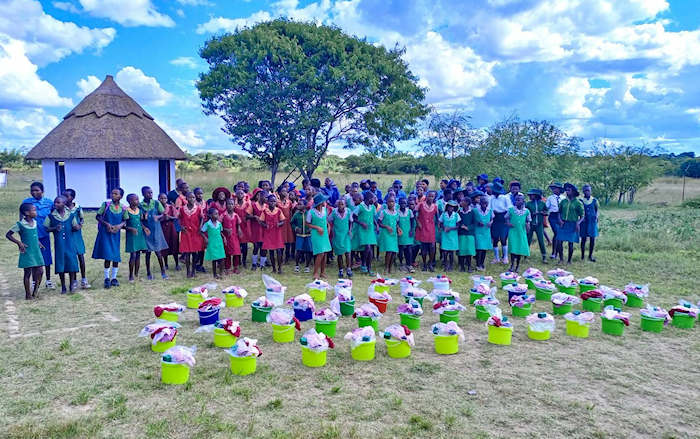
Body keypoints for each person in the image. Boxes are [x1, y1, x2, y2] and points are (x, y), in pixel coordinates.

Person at [6, 203, 44, 299]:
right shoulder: (20, 224)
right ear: (27, 213)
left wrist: (38, 242)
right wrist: (19, 243)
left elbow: (34, 235)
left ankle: (35, 291)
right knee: (27, 273)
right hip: (27, 251)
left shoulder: (35, 222)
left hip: (36, 250)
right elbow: (8, 235)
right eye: (34, 210)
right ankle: (28, 294)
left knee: (40, 270)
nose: (36, 212)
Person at [22, 182, 55, 289]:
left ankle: (48, 280)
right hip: (31, 237)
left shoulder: (49, 203)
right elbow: (21, 220)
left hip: (44, 234)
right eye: (32, 190)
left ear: (42, 191)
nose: (34, 192)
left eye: (37, 190)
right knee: (33, 259)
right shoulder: (26, 203)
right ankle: (33, 281)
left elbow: (53, 217)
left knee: (46, 258)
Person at [44, 196, 79, 293]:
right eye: (55, 202)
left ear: (64, 204)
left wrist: (77, 227)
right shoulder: (51, 216)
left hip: (70, 243)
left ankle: (71, 284)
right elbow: (46, 228)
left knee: (71, 262)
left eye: (58, 202)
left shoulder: (71, 215)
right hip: (59, 244)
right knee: (60, 263)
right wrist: (54, 228)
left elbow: (75, 226)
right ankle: (63, 286)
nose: (56, 204)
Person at [92, 187, 126, 289]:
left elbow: (125, 220)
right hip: (106, 233)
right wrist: (106, 224)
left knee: (115, 255)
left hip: (116, 234)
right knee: (107, 255)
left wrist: (119, 226)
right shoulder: (106, 205)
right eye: (112, 193)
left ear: (121, 196)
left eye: (116, 194)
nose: (113, 195)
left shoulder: (123, 208)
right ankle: (106, 278)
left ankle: (114, 278)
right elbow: (98, 216)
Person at [63, 188, 90, 288]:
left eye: (67, 196)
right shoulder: (62, 208)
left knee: (81, 257)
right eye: (63, 196)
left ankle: (84, 279)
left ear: (73, 197)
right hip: (68, 235)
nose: (65, 198)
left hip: (77, 235)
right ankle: (73, 280)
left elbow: (82, 219)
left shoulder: (78, 207)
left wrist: (80, 225)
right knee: (71, 258)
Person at [141, 187, 168, 280]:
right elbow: (139, 219)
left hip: (156, 230)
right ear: (143, 194)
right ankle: (148, 272)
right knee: (148, 253)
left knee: (158, 253)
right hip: (147, 231)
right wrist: (143, 219)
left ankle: (163, 272)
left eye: (151, 193)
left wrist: (158, 216)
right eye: (148, 193)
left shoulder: (156, 203)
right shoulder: (141, 205)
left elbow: (164, 213)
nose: (150, 195)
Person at [306, 193, 332, 279]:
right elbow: (307, 224)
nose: (325, 202)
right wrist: (317, 227)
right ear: (320, 203)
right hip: (316, 234)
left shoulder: (325, 210)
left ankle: (323, 272)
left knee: (324, 253)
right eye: (324, 201)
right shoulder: (311, 212)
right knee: (320, 253)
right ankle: (315, 272)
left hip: (324, 234)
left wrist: (328, 227)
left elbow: (326, 220)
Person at [557, 183, 585, 264]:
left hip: (572, 224)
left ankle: (569, 260)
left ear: (573, 191)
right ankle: (561, 259)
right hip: (563, 223)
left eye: (569, 190)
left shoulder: (578, 203)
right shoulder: (563, 201)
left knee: (570, 243)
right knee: (559, 241)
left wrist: (578, 223)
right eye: (566, 190)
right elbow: (559, 212)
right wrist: (560, 220)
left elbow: (582, 215)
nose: (566, 191)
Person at [179, 192, 204, 278]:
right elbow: (178, 218)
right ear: (186, 198)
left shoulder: (198, 208)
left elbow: (202, 218)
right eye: (190, 197)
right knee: (187, 253)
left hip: (195, 232)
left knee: (194, 252)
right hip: (186, 232)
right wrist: (181, 227)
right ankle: (188, 271)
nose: (192, 199)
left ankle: (193, 270)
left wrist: (200, 226)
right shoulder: (182, 209)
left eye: (193, 197)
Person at [124, 194, 148, 282]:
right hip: (131, 235)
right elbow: (124, 225)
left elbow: (140, 221)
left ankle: (136, 274)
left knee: (138, 255)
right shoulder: (126, 211)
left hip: (139, 234)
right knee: (133, 255)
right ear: (129, 201)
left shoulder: (139, 210)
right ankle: (130, 275)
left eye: (137, 199)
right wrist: (130, 228)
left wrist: (145, 228)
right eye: (135, 200)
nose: (137, 201)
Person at [259, 194, 286, 274]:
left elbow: (283, 220)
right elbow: (261, 221)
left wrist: (279, 224)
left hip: (277, 233)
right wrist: (265, 225)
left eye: (274, 201)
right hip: (269, 233)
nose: (273, 203)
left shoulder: (278, 210)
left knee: (279, 250)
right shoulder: (265, 211)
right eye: (271, 201)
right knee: (271, 251)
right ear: (268, 202)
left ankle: (280, 268)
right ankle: (274, 268)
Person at [353, 191, 378, 275]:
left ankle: (369, 267)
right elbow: (354, 218)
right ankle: (363, 263)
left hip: (370, 229)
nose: (374, 200)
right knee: (367, 247)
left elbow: (373, 217)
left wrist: (377, 225)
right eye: (373, 198)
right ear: (368, 199)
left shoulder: (373, 207)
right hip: (362, 230)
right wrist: (361, 223)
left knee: (370, 249)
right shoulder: (360, 207)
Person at [505, 194, 531, 273]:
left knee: (519, 249)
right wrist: (508, 223)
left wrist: (527, 228)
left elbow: (528, 221)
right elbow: (506, 218)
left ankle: (517, 265)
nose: (516, 201)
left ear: (523, 201)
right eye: (515, 200)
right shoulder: (511, 210)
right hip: (513, 231)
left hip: (521, 232)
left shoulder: (526, 211)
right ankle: (512, 264)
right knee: (513, 248)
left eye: (519, 200)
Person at [328, 198, 353, 278]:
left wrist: (350, 230)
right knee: (339, 254)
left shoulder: (348, 211)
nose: (340, 206)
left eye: (342, 204)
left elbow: (350, 221)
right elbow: (328, 220)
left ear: (345, 205)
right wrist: (332, 229)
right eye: (339, 204)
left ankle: (349, 269)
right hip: (337, 235)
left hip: (346, 234)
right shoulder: (334, 212)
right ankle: (341, 270)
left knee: (348, 252)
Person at [415, 190, 438, 272]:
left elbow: (437, 217)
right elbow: (414, 213)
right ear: (426, 196)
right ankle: (424, 264)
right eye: (429, 196)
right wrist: (418, 222)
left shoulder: (435, 206)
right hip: (423, 227)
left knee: (432, 246)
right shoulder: (420, 205)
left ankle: (430, 264)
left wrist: (438, 225)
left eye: (432, 196)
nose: (430, 198)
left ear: (434, 197)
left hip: (431, 228)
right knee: (424, 247)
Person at [490, 182, 512, 265]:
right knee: (495, 238)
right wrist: (492, 215)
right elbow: (490, 208)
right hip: (495, 218)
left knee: (503, 238)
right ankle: (496, 258)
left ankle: (505, 257)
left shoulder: (505, 198)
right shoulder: (491, 198)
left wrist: (506, 218)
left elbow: (510, 209)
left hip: (503, 217)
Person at [378, 195, 401, 274]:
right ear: (387, 203)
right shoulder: (383, 212)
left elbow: (396, 222)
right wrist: (386, 226)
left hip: (393, 234)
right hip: (386, 234)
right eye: (389, 202)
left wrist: (398, 228)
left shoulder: (396, 213)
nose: (391, 203)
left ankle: (390, 268)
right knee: (389, 251)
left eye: (393, 202)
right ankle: (386, 268)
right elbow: (379, 223)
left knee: (394, 252)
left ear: (395, 203)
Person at [201, 207, 226, 279]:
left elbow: (220, 232)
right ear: (210, 215)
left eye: (218, 214)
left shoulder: (219, 224)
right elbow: (202, 231)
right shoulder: (207, 224)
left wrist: (224, 237)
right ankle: (214, 274)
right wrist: (205, 238)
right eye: (215, 214)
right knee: (214, 259)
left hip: (219, 242)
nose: (217, 215)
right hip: (212, 242)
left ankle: (221, 272)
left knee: (221, 258)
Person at [525, 188, 549, 264]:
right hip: (531, 224)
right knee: (528, 240)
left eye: (531, 195)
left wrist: (541, 213)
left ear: (536, 196)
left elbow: (546, 212)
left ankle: (544, 256)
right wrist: (532, 214)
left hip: (539, 224)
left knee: (541, 240)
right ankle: (525, 256)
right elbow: (525, 213)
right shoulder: (528, 204)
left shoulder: (542, 203)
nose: (530, 196)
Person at [160, 193, 180, 272]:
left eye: (164, 198)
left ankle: (177, 263)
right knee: (165, 246)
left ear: (167, 199)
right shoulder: (158, 208)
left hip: (171, 228)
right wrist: (163, 218)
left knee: (174, 244)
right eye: (161, 198)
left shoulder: (171, 207)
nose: (163, 200)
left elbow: (176, 217)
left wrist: (169, 217)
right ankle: (166, 264)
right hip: (163, 229)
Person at [222, 198, 242, 274]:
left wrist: (239, 230)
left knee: (236, 252)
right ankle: (227, 268)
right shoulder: (223, 215)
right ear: (226, 205)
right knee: (227, 253)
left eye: (232, 204)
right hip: (226, 237)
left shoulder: (236, 215)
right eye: (228, 204)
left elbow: (238, 224)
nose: (230, 205)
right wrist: (225, 229)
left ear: (234, 206)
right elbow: (219, 226)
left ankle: (236, 267)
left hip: (234, 236)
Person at [457, 192, 477, 272]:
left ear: (467, 203)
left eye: (463, 201)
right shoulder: (459, 212)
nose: (461, 202)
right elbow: (457, 221)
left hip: (469, 234)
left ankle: (469, 266)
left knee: (469, 251)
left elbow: (474, 223)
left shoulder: (472, 212)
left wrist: (467, 227)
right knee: (461, 250)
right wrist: (460, 226)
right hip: (461, 233)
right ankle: (462, 266)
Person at [474, 193, 493, 271]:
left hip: (486, 231)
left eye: (486, 203)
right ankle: (478, 264)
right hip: (478, 231)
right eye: (483, 203)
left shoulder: (490, 210)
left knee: (484, 248)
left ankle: (482, 263)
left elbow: (492, 219)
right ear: (480, 203)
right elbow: (472, 219)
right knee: (479, 248)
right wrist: (477, 222)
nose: (484, 204)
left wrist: (490, 223)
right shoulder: (475, 210)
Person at [579, 184, 599, 262]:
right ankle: (582, 255)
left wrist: (596, 217)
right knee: (583, 239)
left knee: (592, 239)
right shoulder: (580, 201)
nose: (587, 192)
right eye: (585, 190)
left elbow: (597, 210)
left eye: (588, 190)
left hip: (592, 222)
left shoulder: (594, 200)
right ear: (583, 191)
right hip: (584, 222)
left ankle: (590, 256)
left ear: (591, 191)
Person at [291, 202, 312, 273]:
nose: (298, 206)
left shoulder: (309, 213)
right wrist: (296, 228)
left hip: (308, 235)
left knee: (308, 251)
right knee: (298, 250)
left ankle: (307, 266)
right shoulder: (296, 214)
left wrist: (311, 228)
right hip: (299, 235)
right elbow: (292, 223)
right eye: (298, 204)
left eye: (300, 204)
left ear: (304, 205)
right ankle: (296, 265)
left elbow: (313, 222)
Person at [247, 188, 265, 270]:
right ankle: (254, 264)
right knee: (256, 246)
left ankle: (262, 264)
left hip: (264, 229)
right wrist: (254, 216)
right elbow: (247, 215)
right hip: (256, 228)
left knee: (263, 247)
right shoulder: (253, 205)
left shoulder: (267, 206)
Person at [439, 200, 459, 271]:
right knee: (445, 251)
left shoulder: (456, 215)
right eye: (449, 207)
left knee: (451, 251)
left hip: (453, 235)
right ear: (447, 207)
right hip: (445, 234)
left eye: (452, 207)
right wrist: (443, 227)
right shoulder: (443, 214)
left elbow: (458, 225)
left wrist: (450, 228)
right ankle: (445, 265)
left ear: (454, 208)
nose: (451, 208)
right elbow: (440, 223)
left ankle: (451, 265)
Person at [277, 186, 296, 262]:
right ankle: (280, 256)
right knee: (281, 240)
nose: (285, 193)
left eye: (286, 191)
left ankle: (287, 257)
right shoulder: (277, 202)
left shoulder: (289, 202)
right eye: (283, 191)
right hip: (281, 223)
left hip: (288, 223)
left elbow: (291, 211)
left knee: (288, 240)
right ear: (279, 193)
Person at [233, 189, 251, 267]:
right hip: (236, 226)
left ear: (244, 195)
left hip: (245, 225)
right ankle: (238, 259)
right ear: (236, 195)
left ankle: (244, 260)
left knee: (244, 245)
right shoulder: (233, 204)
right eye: (238, 193)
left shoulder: (247, 204)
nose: (240, 195)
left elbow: (249, 213)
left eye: (242, 193)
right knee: (238, 244)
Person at [397, 197, 415, 273]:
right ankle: (401, 263)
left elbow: (412, 221)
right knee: (401, 250)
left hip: (408, 232)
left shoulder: (409, 211)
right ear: (399, 204)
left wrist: (411, 230)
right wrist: (398, 229)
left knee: (409, 249)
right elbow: (396, 223)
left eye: (404, 203)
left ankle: (409, 264)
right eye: (401, 203)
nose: (403, 204)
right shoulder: (397, 212)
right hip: (401, 233)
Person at [546, 182, 563, 260]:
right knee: (557, 232)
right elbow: (546, 207)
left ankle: (557, 252)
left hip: (561, 217)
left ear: (559, 189)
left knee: (559, 234)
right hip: (553, 216)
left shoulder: (563, 198)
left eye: (555, 188)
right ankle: (554, 252)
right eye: (553, 188)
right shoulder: (550, 198)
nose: (554, 190)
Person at [193, 187, 207, 272]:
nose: (200, 195)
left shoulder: (204, 203)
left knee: (202, 247)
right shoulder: (192, 204)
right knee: (195, 247)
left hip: (204, 227)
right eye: (198, 193)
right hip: (195, 227)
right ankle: (195, 263)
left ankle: (200, 264)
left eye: (201, 193)